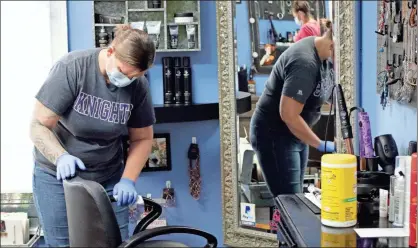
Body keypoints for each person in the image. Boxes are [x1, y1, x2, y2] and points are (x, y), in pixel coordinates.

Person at [29, 24, 156, 246]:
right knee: (62, 243)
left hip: (108, 175)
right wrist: (60, 156)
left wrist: (127, 179)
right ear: (109, 52)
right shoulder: (72, 68)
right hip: (58, 177)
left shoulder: (138, 86)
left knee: (116, 242)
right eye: (124, 72)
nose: (128, 80)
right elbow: (38, 126)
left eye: (135, 76)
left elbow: (142, 139)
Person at [249, 19, 335, 197]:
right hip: (274, 135)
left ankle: (279, 224)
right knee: (290, 203)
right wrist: (320, 145)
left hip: (295, 135)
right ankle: (277, 226)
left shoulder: (325, 58)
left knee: (294, 201)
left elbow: (325, 92)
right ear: (334, 44)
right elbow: (288, 114)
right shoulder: (304, 62)